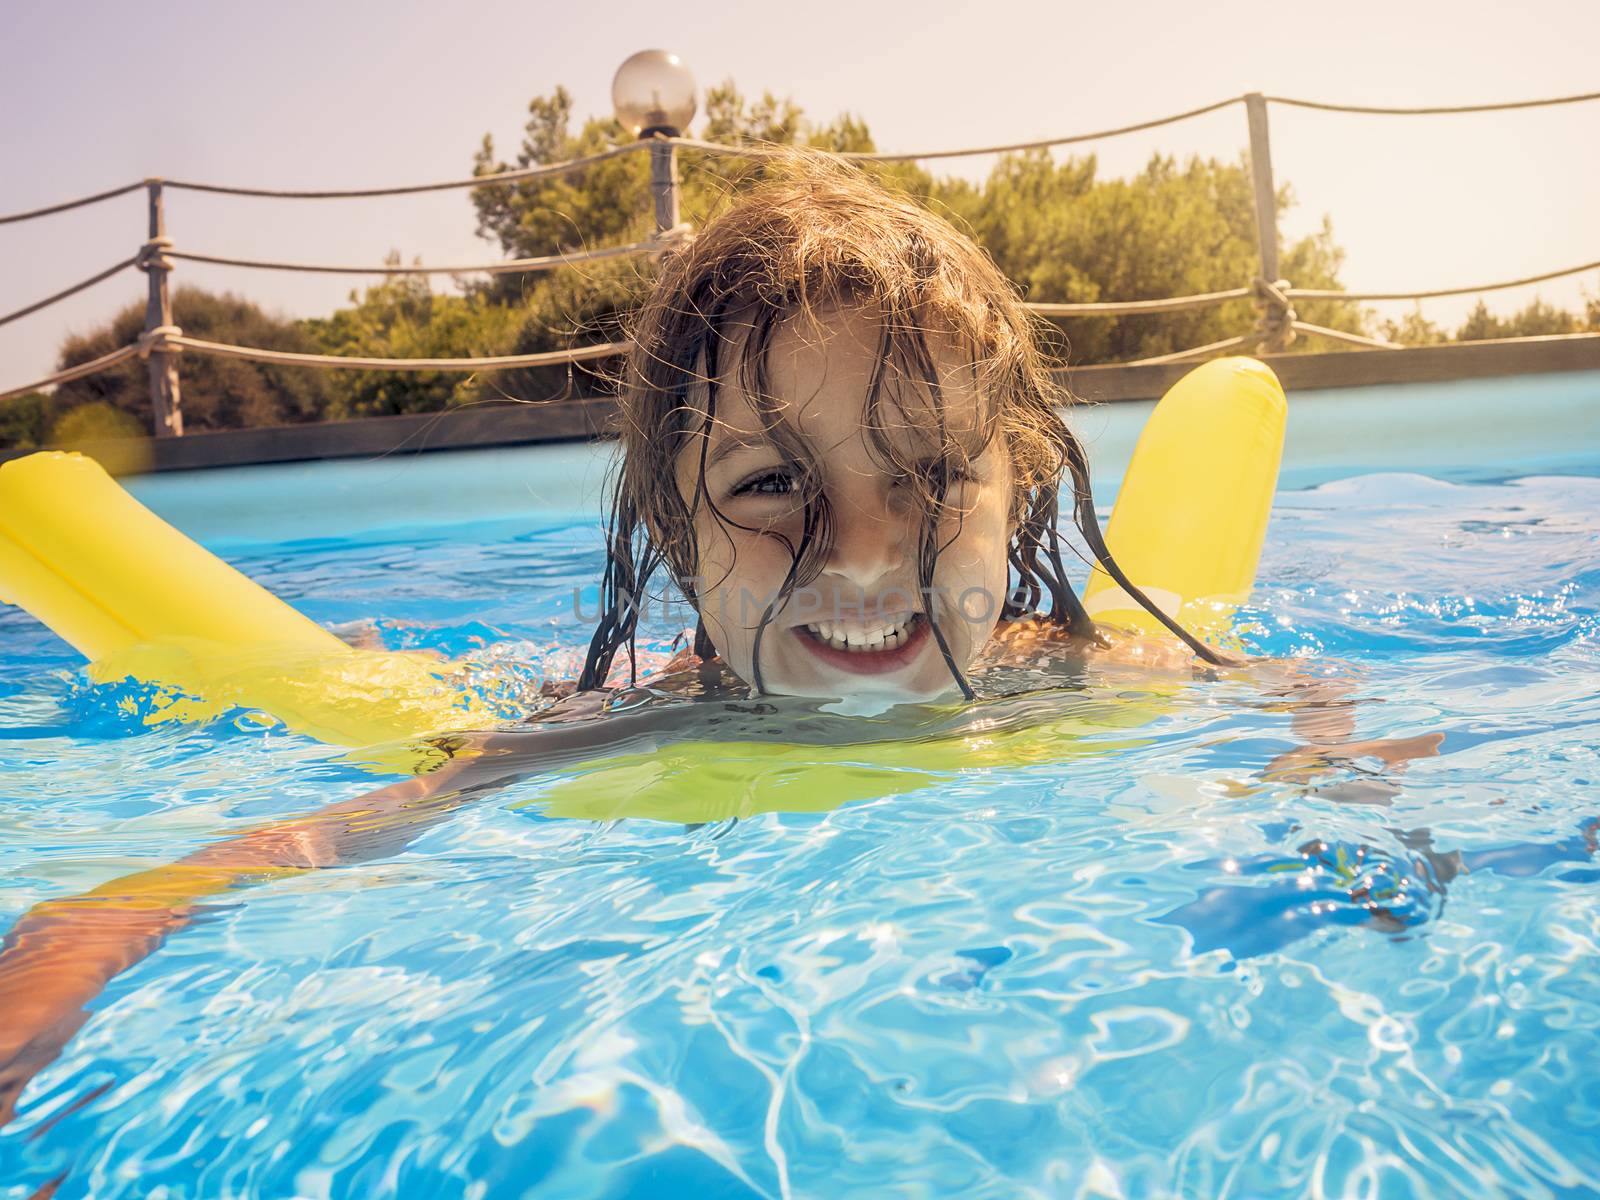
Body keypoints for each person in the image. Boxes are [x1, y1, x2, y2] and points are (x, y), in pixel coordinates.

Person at [0, 155, 1441, 1135]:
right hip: (606, 695)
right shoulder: (639, 726)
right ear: (676, 538)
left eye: (933, 478)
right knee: (439, 707)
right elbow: (247, 863)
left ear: (1022, 498)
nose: (863, 554)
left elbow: (1309, 705)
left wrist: (1346, 822)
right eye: (770, 487)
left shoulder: (1076, 668)